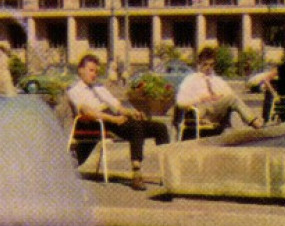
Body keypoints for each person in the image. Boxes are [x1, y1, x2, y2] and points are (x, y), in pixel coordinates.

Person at [65, 53, 169, 190]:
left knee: (160, 127)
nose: (94, 74)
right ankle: (136, 171)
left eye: (96, 71)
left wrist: (132, 112)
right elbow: (87, 111)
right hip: (99, 120)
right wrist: (113, 119)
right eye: (91, 70)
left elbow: (118, 106)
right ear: (80, 70)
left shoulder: (100, 88)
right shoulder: (75, 90)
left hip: (113, 117)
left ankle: (167, 171)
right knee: (135, 128)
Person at [175, 46, 262, 134]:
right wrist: (201, 99)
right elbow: (180, 102)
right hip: (199, 109)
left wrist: (219, 97)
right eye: (205, 64)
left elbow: (230, 97)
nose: (208, 67)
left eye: (211, 65)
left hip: (216, 111)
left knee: (232, 98)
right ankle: (255, 122)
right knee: (230, 99)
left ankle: (254, 121)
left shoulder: (218, 80)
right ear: (199, 63)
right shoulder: (191, 79)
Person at [251, 55, 285, 123]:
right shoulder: (281, 68)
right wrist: (273, 92)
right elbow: (265, 79)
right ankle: (269, 118)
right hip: (280, 92)